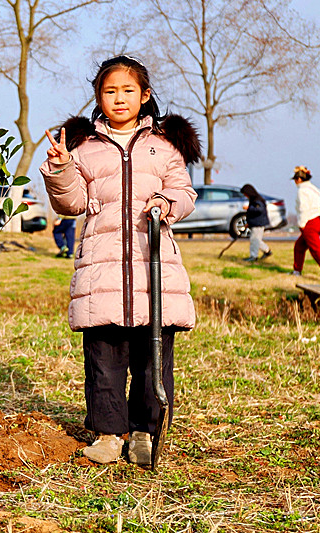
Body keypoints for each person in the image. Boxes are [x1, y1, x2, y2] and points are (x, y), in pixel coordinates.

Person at [40, 55, 200, 466]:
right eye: (110, 91)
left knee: (153, 365)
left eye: (128, 90)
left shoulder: (163, 146)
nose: (119, 98)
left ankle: (145, 433)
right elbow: (71, 202)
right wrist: (60, 168)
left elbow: (185, 192)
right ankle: (110, 435)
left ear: (145, 95)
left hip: (153, 272)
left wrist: (168, 202)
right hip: (102, 271)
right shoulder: (84, 148)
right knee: (104, 362)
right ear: (98, 97)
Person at [290, 166, 320, 283]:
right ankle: (297, 271)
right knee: (299, 246)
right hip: (318, 222)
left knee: (316, 250)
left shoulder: (301, 191)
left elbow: (303, 209)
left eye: (295, 179)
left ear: (300, 179)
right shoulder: (314, 188)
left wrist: (302, 224)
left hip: (309, 223)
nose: (295, 181)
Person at [240, 184, 272, 262]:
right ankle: (267, 251)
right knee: (256, 239)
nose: (245, 195)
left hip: (258, 223)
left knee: (254, 240)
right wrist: (249, 223)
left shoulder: (257, 200)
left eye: (245, 194)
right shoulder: (255, 199)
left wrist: (248, 208)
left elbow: (259, 210)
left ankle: (253, 256)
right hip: (256, 222)